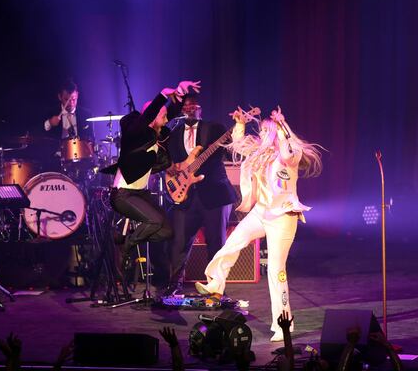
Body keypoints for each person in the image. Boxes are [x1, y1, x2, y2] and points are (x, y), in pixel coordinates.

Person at [195, 106, 323, 342]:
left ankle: (283, 324)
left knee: (276, 270)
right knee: (232, 242)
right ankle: (216, 282)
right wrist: (240, 124)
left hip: (283, 216)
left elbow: (287, 152)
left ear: (275, 134)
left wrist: (283, 127)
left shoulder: (289, 156)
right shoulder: (259, 154)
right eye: (262, 130)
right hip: (261, 212)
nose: (261, 134)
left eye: (266, 131)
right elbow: (237, 143)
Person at [107, 80, 201, 278]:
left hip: (140, 193)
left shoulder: (159, 135)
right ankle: (127, 246)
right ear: (151, 118)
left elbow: (169, 113)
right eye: (163, 116)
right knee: (155, 221)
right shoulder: (135, 135)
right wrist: (163, 95)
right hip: (123, 194)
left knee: (166, 231)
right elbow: (148, 117)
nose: (167, 119)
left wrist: (181, 92)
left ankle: (126, 239)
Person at [165, 93, 237, 295]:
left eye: (194, 106)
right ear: (182, 109)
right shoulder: (174, 133)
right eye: (186, 106)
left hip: (214, 194)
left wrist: (238, 129)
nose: (190, 109)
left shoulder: (214, 129)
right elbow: (168, 163)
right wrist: (174, 173)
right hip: (185, 196)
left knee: (216, 242)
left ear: (200, 108)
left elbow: (232, 150)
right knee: (179, 242)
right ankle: (174, 286)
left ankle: (216, 287)